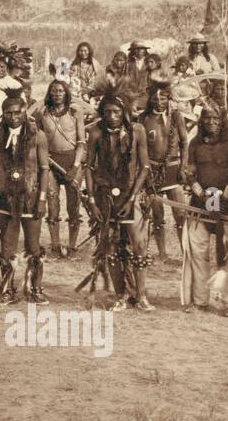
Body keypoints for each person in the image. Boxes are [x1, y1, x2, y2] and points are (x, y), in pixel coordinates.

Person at [83, 94, 154, 312]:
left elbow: (144, 166)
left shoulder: (138, 131)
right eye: (107, 112)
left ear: (124, 112)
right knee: (111, 247)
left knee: (138, 246)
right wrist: (93, 201)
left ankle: (140, 295)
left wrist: (133, 197)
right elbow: (89, 167)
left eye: (116, 112)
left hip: (130, 193)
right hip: (106, 196)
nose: (112, 117)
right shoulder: (95, 132)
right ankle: (121, 295)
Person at [179, 107, 228, 314]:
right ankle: (199, 300)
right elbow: (190, 174)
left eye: (215, 118)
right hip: (200, 203)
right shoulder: (195, 143)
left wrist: (222, 197)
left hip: (226, 203)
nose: (211, 122)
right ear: (202, 121)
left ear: (221, 121)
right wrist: (202, 195)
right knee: (198, 252)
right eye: (207, 118)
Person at [0, 91, 48, 305]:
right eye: (9, 113)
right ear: (3, 115)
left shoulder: (37, 136)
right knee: (7, 248)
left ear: (24, 113)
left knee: (33, 248)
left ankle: (35, 288)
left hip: (31, 200)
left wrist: (42, 199)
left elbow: (44, 169)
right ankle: (7, 290)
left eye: (17, 112)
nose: (13, 116)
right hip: (5, 200)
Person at [35, 79, 85, 259]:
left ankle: (72, 245)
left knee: (74, 204)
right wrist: (43, 159)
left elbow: (81, 142)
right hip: (51, 162)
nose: (57, 94)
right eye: (54, 91)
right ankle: (55, 245)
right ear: (50, 93)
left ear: (66, 93)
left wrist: (76, 166)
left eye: (61, 91)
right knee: (52, 201)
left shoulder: (75, 112)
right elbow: (39, 140)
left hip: (72, 161)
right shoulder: (43, 113)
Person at [140, 79, 185, 262]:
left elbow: (185, 142)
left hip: (173, 168)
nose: (159, 101)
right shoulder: (143, 118)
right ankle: (162, 253)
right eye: (155, 98)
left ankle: (185, 252)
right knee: (157, 215)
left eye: (163, 98)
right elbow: (141, 147)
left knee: (180, 215)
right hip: (153, 170)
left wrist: (184, 166)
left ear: (169, 99)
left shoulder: (175, 116)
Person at [68, 42, 102, 107]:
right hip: (75, 90)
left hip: (90, 92)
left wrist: (85, 90)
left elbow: (95, 81)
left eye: (85, 51)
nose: (83, 53)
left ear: (89, 51)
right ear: (78, 52)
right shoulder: (74, 63)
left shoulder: (94, 65)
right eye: (81, 51)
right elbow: (70, 76)